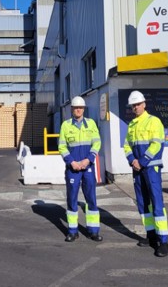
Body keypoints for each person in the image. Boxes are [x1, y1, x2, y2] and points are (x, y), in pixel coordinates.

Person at [124, 90, 168, 257]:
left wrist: (141, 161)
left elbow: (156, 144)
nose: (135, 107)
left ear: (144, 104)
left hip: (151, 168)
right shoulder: (132, 125)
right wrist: (132, 160)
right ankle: (150, 236)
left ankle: (163, 241)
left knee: (157, 203)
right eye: (133, 105)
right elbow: (127, 145)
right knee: (142, 203)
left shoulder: (153, 121)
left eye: (137, 104)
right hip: (137, 169)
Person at [58, 96, 102, 242]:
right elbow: (62, 146)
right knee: (72, 199)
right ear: (72, 109)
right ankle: (72, 231)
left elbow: (97, 143)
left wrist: (88, 159)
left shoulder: (91, 124)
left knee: (91, 199)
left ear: (84, 109)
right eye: (76, 107)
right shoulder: (66, 125)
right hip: (73, 169)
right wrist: (72, 162)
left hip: (87, 166)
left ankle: (93, 231)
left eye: (81, 107)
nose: (78, 109)